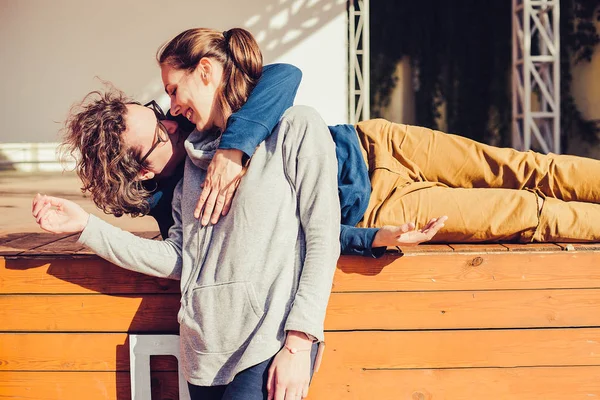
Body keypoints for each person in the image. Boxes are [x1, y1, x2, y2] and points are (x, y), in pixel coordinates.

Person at [33, 27, 340, 400]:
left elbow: (323, 238)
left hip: (266, 346)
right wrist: (87, 227)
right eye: (163, 121)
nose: (173, 112)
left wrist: (299, 343)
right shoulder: (190, 169)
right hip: (203, 359)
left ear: (206, 72)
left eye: (172, 93)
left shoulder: (296, 127)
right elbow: (181, 258)